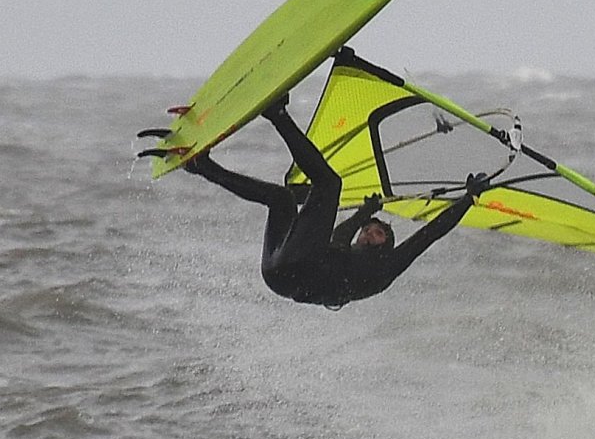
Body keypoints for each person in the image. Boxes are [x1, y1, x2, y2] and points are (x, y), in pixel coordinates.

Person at [140, 92, 486, 308]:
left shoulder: (386, 268)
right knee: (281, 199)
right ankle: (204, 167)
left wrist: (467, 199)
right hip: (278, 274)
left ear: (386, 245)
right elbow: (342, 232)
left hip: (295, 272)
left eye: (378, 233)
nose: (369, 232)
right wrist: (366, 211)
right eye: (370, 229)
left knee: (329, 184)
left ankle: (277, 114)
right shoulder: (343, 252)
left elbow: (431, 233)